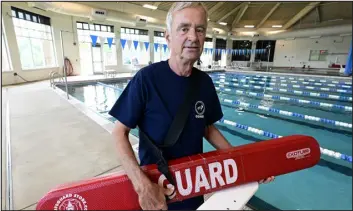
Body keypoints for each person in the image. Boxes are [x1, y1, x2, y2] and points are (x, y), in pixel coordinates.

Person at [109, 2, 274, 210]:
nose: (193, 37)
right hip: (157, 189)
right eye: (184, 28)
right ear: (168, 37)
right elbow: (118, 133)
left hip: (193, 188)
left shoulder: (204, 82)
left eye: (200, 30)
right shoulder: (146, 79)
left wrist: (243, 164)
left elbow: (207, 128)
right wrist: (141, 185)